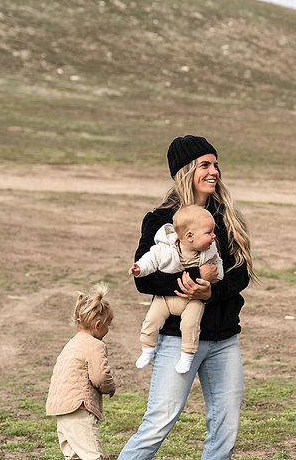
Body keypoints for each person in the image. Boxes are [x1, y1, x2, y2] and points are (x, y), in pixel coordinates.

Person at [118, 135, 254, 460]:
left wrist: (211, 291)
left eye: (216, 165)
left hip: (224, 339)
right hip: (177, 340)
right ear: (186, 170)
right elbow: (144, 281)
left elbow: (240, 274)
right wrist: (195, 281)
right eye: (205, 165)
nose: (214, 172)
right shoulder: (160, 220)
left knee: (225, 427)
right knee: (157, 425)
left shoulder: (224, 216)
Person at [129, 204, 224, 374]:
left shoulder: (210, 251)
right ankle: (147, 349)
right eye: (208, 233)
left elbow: (218, 267)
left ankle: (187, 356)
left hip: (193, 299)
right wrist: (139, 268)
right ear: (189, 236)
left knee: (190, 324)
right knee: (152, 320)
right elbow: (150, 259)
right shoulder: (165, 247)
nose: (213, 236)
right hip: (165, 298)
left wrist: (214, 278)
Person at [46, 283, 116, 460]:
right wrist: (110, 387)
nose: (108, 329)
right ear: (98, 324)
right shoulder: (95, 345)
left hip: (60, 408)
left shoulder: (71, 344)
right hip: (79, 408)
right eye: (108, 324)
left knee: (74, 456)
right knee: (92, 456)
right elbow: (100, 376)